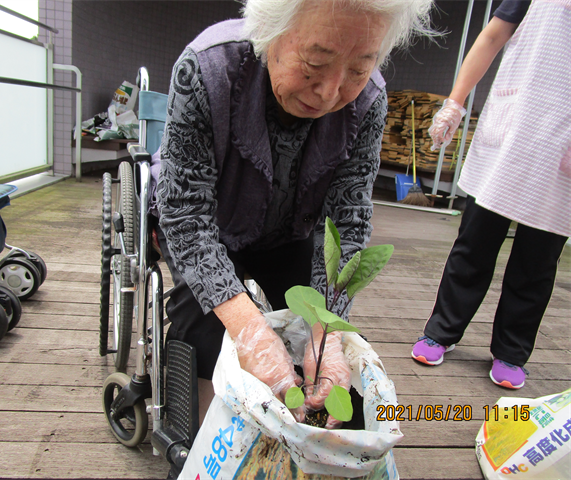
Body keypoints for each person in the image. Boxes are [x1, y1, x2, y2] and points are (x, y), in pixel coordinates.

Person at [152, 0, 436, 427]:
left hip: (287, 234)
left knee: (321, 348)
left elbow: (347, 217)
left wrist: (328, 335)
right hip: (205, 227)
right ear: (269, 32)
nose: (330, 93)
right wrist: (248, 331)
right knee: (210, 330)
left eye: (358, 70)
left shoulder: (370, 102)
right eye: (314, 63)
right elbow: (186, 213)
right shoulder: (207, 71)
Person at [412, 0, 570, 389]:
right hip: (515, 125)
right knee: (475, 241)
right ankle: (442, 331)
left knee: (539, 258)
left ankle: (512, 352)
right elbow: (493, 34)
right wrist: (455, 101)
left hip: (564, 144)